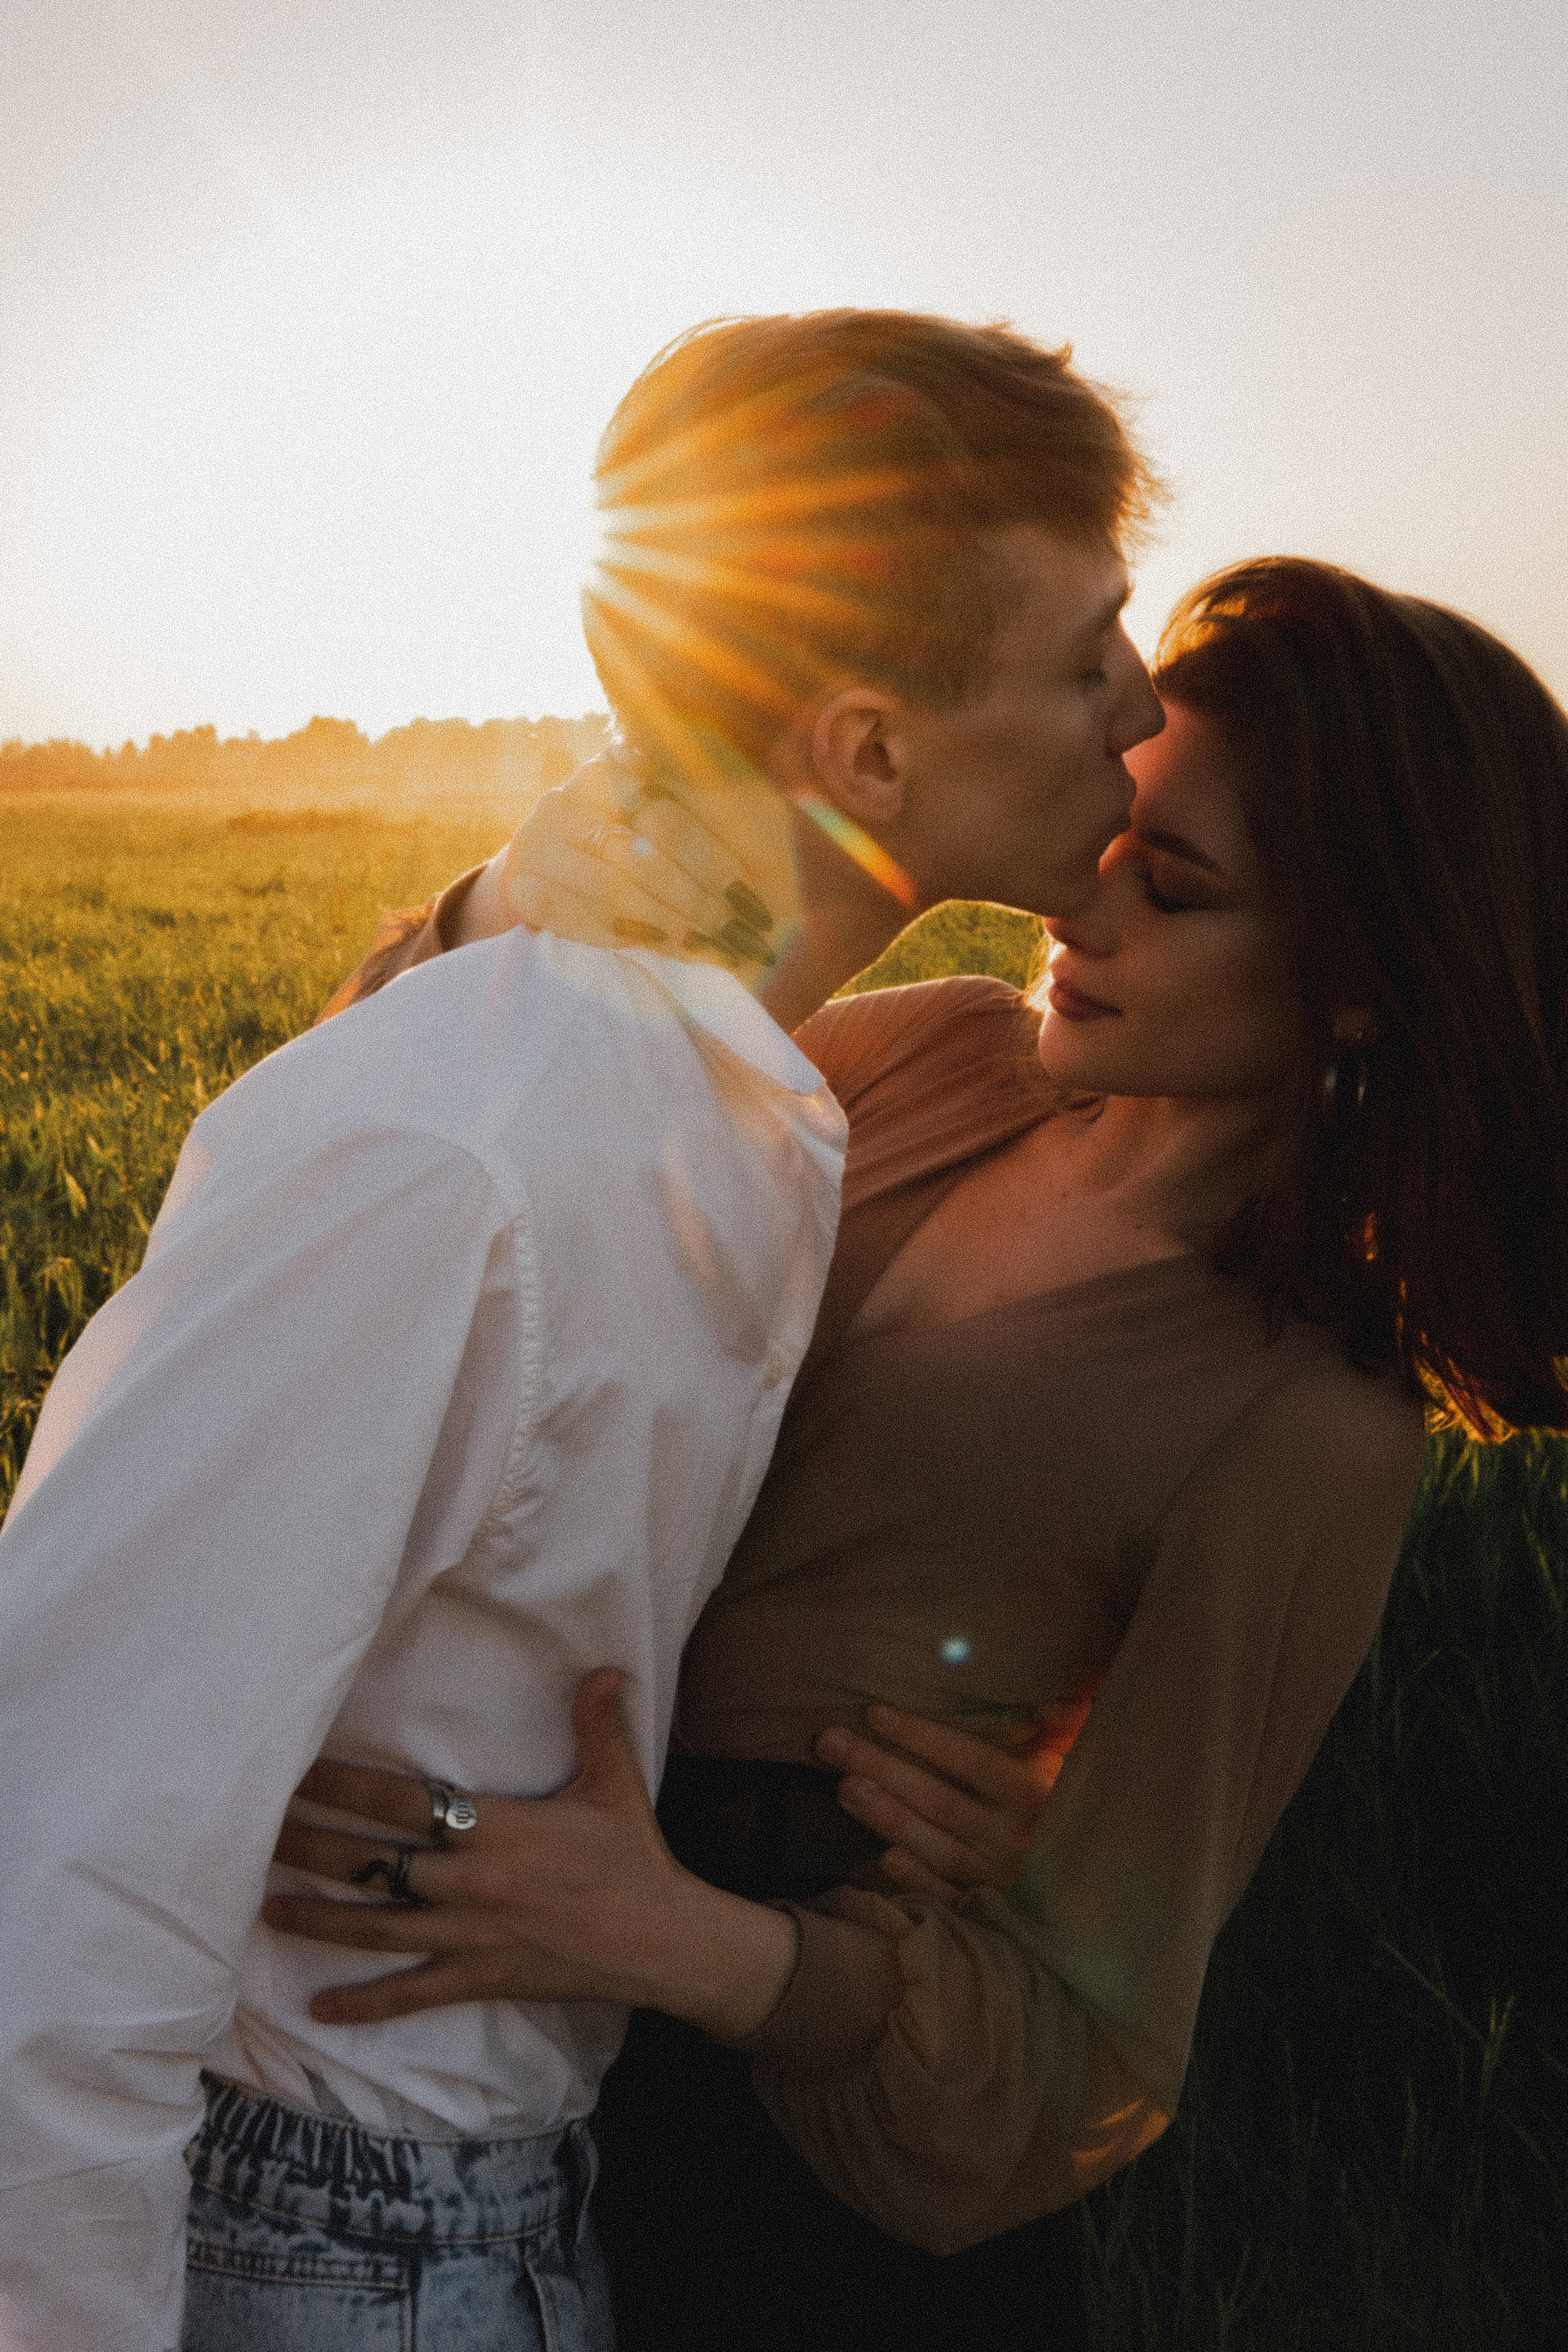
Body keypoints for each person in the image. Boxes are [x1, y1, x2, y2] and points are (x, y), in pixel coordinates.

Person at [0, 310, 1164, 2352]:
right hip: (318, 2239)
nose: (1140, 713)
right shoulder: (464, 1149)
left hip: (520, 2212)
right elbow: (53, 1872)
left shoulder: (768, 1111)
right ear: (871, 749)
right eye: (1088, 658)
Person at [262, 557, 1568, 2351]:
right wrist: (503, 911)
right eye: (1116, 820)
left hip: (796, 2194)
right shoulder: (904, 1063)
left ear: (1360, 986)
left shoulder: (1312, 1422)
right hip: (471, 2046)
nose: (1084, 896)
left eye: (1174, 885)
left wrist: (671, 1935)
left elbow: (1092, 2036)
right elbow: (400, 1194)